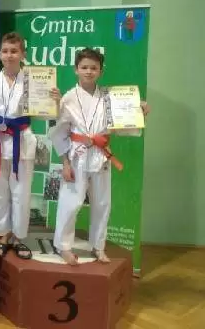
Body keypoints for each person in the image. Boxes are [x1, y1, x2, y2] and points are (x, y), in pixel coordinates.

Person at [48, 48, 149, 265]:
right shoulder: (68, 98)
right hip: (77, 155)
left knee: (102, 202)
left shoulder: (109, 98)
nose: (89, 71)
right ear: (76, 70)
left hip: (100, 154)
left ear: (101, 71)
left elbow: (121, 125)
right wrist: (65, 163)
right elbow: (59, 132)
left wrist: (139, 112)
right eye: (84, 67)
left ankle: (98, 246)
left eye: (94, 68)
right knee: (71, 201)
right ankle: (63, 245)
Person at [0, 32, 61, 259]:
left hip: (21, 141)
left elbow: (45, 116)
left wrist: (54, 102)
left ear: (23, 54)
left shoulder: (34, 81)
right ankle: (3, 235)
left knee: (21, 193)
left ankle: (19, 237)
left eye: (14, 51)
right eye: (5, 51)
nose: (9, 55)